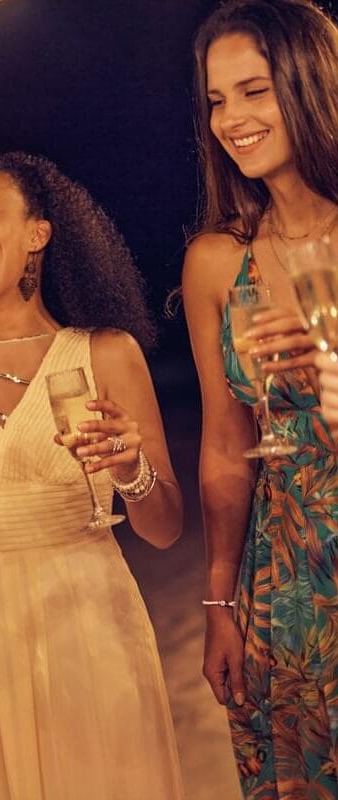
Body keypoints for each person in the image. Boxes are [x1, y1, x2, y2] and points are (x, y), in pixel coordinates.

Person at [0, 151, 184, 799]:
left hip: (89, 622)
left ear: (39, 233)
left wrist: (131, 471)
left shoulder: (106, 353)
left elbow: (164, 529)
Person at [182, 1, 338, 796]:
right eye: (216, 100)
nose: (231, 120)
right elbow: (222, 446)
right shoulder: (218, 263)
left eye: (254, 91)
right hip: (282, 587)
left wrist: (330, 376)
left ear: (311, 84)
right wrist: (220, 598)